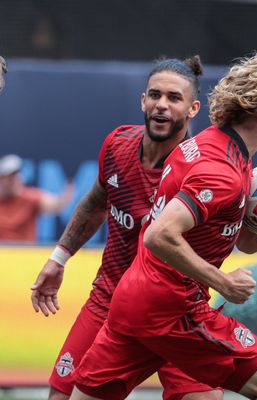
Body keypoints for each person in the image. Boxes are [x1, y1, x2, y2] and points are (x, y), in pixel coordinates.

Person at [69, 51, 257, 400]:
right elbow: (160, 234)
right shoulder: (223, 171)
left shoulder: (214, 143)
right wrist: (222, 282)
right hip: (173, 313)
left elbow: (245, 242)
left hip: (135, 302)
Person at [31, 56, 223, 400]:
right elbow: (95, 203)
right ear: (142, 100)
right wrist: (59, 258)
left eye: (174, 98)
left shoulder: (202, 170)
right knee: (61, 395)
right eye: (155, 95)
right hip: (110, 299)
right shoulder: (118, 144)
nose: (161, 105)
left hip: (174, 311)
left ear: (193, 108)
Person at [0, 154, 73, 242]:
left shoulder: (30, 198)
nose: (14, 180)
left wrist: (66, 194)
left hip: (24, 252)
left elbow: (56, 206)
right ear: (1, 179)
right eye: (9, 177)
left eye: (16, 176)